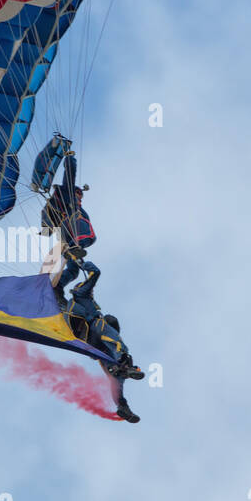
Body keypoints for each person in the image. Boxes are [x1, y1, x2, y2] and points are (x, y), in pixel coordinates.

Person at [63, 261, 144, 423]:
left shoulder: (69, 305)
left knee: (115, 375)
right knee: (111, 331)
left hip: (92, 345)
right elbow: (96, 272)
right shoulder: (82, 294)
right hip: (93, 330)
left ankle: (122, 405)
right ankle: (124, 363)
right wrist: (82, 262)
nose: (91, 292)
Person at [40, 148, 95, 305]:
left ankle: (56, 289)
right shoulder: (68, 194)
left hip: (67, 237)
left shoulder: (75, 206)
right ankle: (73, 251)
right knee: (90, 236)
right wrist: (70, 159)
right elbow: (69, 176)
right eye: (79, 194)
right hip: (70, 229)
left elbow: (46, 229)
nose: (79, 197)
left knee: (74, 270)